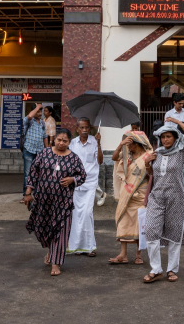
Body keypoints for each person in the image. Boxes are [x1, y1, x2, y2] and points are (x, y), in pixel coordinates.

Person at [142, 115, 184, 283]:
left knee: (174, 234)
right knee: (151, 231)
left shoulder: (182, 152)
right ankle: (156, 269)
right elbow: (150, 176)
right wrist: (147, 164)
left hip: (176, 198)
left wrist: (177, 123)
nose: (165, 139)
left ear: (175, 138)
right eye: (163, 137)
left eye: (169, 136)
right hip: (157, 197)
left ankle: (172, 269)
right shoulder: (156, 153)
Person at [23, 128, 86, 276]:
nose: (61, 143)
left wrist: (72, 179)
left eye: (65, 141)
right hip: (43, 202)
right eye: (59, 140)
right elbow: (33, 172)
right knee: (43, 230)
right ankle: (51, 253)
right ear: (54, 139)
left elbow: (82, 176)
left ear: (69, 142)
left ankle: (55, 263)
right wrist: (28, 193)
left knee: (61, 232)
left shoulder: (74, 158)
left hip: (63, 204)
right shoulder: (44, 153)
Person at [109, 127, 153, 265]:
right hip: (127, 193)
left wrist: (147, 165)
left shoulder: (149, 155)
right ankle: (123, 254)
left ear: (137, 143)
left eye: (130, 143)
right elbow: (114, 158)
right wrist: (121, 145)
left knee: (140, 224)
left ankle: (138, 255)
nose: (128, 145)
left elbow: (152, 174)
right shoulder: (126, 154)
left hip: (141, 193)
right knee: (123, 220)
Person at [67, 118, 103, 256]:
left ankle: (89, 247)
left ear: (90, 128)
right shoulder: (72, 143)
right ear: (77, 129)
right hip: (75, 183)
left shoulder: (95, 141)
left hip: (90, 183)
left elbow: (100, 161)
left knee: (87, 213)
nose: (84, 130)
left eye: (87, 127)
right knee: (76, 214)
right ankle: (77, 246)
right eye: (81, 127)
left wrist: (99, 144)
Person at [20, 103, 46, 203]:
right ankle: (25, 195)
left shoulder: (43, 123)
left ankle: (36, 195)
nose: (40, 113)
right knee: (28, 174)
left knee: (39, 174)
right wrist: (38, 107)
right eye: (38, 111)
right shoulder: (28, 121)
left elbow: (45, 137)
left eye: (40, 111)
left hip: (39, 151)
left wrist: (47, 150)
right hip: (28, 150)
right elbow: (30, 116)